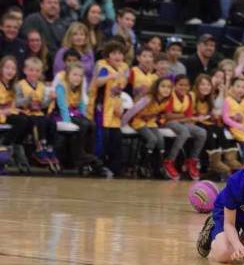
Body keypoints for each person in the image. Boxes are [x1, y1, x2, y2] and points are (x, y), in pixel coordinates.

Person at [87, 41, 129, 176]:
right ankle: (96, 165)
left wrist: (120, 106)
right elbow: (97, 82)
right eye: (114, 53)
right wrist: (109, 76)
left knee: (116, 139)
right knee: (101, 138)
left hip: (114, 110)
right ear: (108, 56)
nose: (118, 56)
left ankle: (115, 167)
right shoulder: (103, 67)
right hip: (100, 109)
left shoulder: (123, 69)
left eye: (120, 53)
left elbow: (118, 91)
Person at [53, 63, 105, 175]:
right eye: (74, 74)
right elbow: (62, 107)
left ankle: (88, 154)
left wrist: (84, 117)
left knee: (92, 124)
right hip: (61, 115)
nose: (78, 78)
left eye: (80, 76)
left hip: (74, 114)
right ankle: (78, 154)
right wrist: (67, 122)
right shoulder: (61, 86)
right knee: (83, 125)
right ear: (68, 75)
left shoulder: (79, 88)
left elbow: (81, 105)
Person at [121, 76, 174, 178]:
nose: (166, 89)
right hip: (138, 121)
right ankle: (142, 164)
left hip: (150, 122)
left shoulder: (166, 100)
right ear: (156, 87)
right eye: (163, 86)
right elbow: (132, 111)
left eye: (169, 87)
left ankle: (158, 166)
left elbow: (160, 114)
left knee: (161, 140)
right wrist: (124, 123)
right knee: (152, 139)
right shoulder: (148, 99)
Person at [15, 56, 58, 171]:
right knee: (38, 122)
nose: (34, 73)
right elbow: (16, 102)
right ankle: (39, 147)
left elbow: (43, 105)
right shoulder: (20, 85)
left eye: (37, 71)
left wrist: (50, 99)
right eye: (31, 70)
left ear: (40, 72)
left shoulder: (41, 86)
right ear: (25, 70)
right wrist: (27, 100)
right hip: (26, 113)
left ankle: (50, 147)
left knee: (51, 122)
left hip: (38, 113)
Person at [191, 73, 236, 179]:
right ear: (197, 86)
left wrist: (221, 92)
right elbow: (189, 114)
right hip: (193, 122)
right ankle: (208, 165)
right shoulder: (192, 96)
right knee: (209, 133)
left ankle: (227, 160)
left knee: (219, 130)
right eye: (202, 84)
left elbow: (216, 109)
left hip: (204, 122)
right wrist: (198, 118)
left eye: (208, 85)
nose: (205, 87)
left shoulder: (209, 98)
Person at [162, 74, 206, 180]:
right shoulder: (170, 95)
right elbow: (168, 115)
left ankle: (192, 161)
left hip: (182, 122)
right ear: (175, 85)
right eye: (180, 85)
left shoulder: (188, 97)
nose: (183, 87)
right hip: (168, 122)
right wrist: (184, 116)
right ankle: (169, 161)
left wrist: (187, 118)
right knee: (184, 132)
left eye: (186, 85)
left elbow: (189, 116)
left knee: (202, 132)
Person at [0, 55, 30, 173]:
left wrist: (15, 110)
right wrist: (4, 112)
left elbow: (11, 105)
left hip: (5, 115)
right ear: (1, 68)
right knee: (20, 121)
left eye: (13, 68)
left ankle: (16, 145)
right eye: (7, 68)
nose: (10, 71)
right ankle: (6, 145)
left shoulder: (13, 86)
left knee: (27, 120)